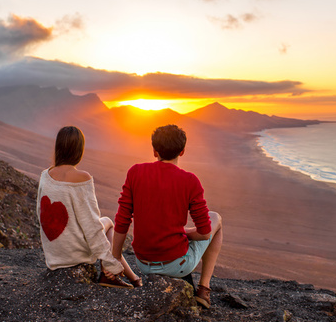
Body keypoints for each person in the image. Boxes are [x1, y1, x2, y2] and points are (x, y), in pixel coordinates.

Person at [111, 124, 223, 308]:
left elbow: (122, 220)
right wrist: (182, 233)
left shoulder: (135, 172)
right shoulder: (190, 181)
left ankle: (202, 288)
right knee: (216, 218)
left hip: (144, 265)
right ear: (182, 151)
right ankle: (204, 289)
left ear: (155, 151)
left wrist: (115, 258)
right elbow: (204, 233)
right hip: (177, 265)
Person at [37, 126, 141, 288]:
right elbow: (92, 226)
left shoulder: (45, 175)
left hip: (54, 256)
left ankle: (134, 279)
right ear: (79, 150)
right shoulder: (82, 178)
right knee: (106, 222)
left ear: (58, 147)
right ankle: (114, 276)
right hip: (75, 255)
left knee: (101, 223)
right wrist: (110, 263)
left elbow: (41, 214)